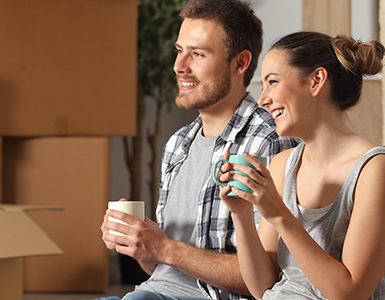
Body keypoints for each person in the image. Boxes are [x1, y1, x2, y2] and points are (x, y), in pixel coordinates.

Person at [99, 0, 297, 299]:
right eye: (180, 51)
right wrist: (140, 245)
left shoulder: (268, 141)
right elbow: (164, 271)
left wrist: (166, 247)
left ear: (240, 63)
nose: (179, 66)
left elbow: (270, 280)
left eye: (198, 54)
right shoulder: (177, 144)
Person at [215, 31, 385, 300]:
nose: (262, 99)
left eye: (272, 82)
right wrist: (240, 215)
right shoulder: (282, 165)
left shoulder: (377, 171)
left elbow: (349, 293)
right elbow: (262, 286)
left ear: (316, 81)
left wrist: (278, 215)